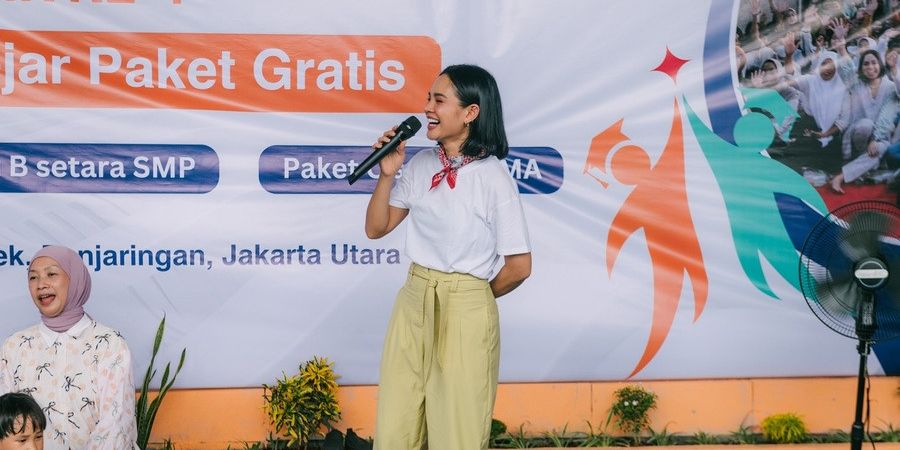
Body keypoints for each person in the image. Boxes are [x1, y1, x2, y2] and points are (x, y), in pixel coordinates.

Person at [365, 64, 532, 450]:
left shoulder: (494, 178)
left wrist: (472, 298)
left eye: (439, 100)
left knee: (456, 432)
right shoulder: (421, 164)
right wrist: (387, 174)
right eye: (428, 98)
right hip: (413, 300)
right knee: (396, 425)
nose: (428, 108)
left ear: (471, 112)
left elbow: (519, 266)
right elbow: (376, 229)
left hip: (466, 305)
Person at [0, 246, 138, 450]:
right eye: (33, 278)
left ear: (75, 280)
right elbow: (5, 424)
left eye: (51, 274)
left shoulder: (109, 344)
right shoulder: (15, 346)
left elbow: (116, 425)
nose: (41, 285)